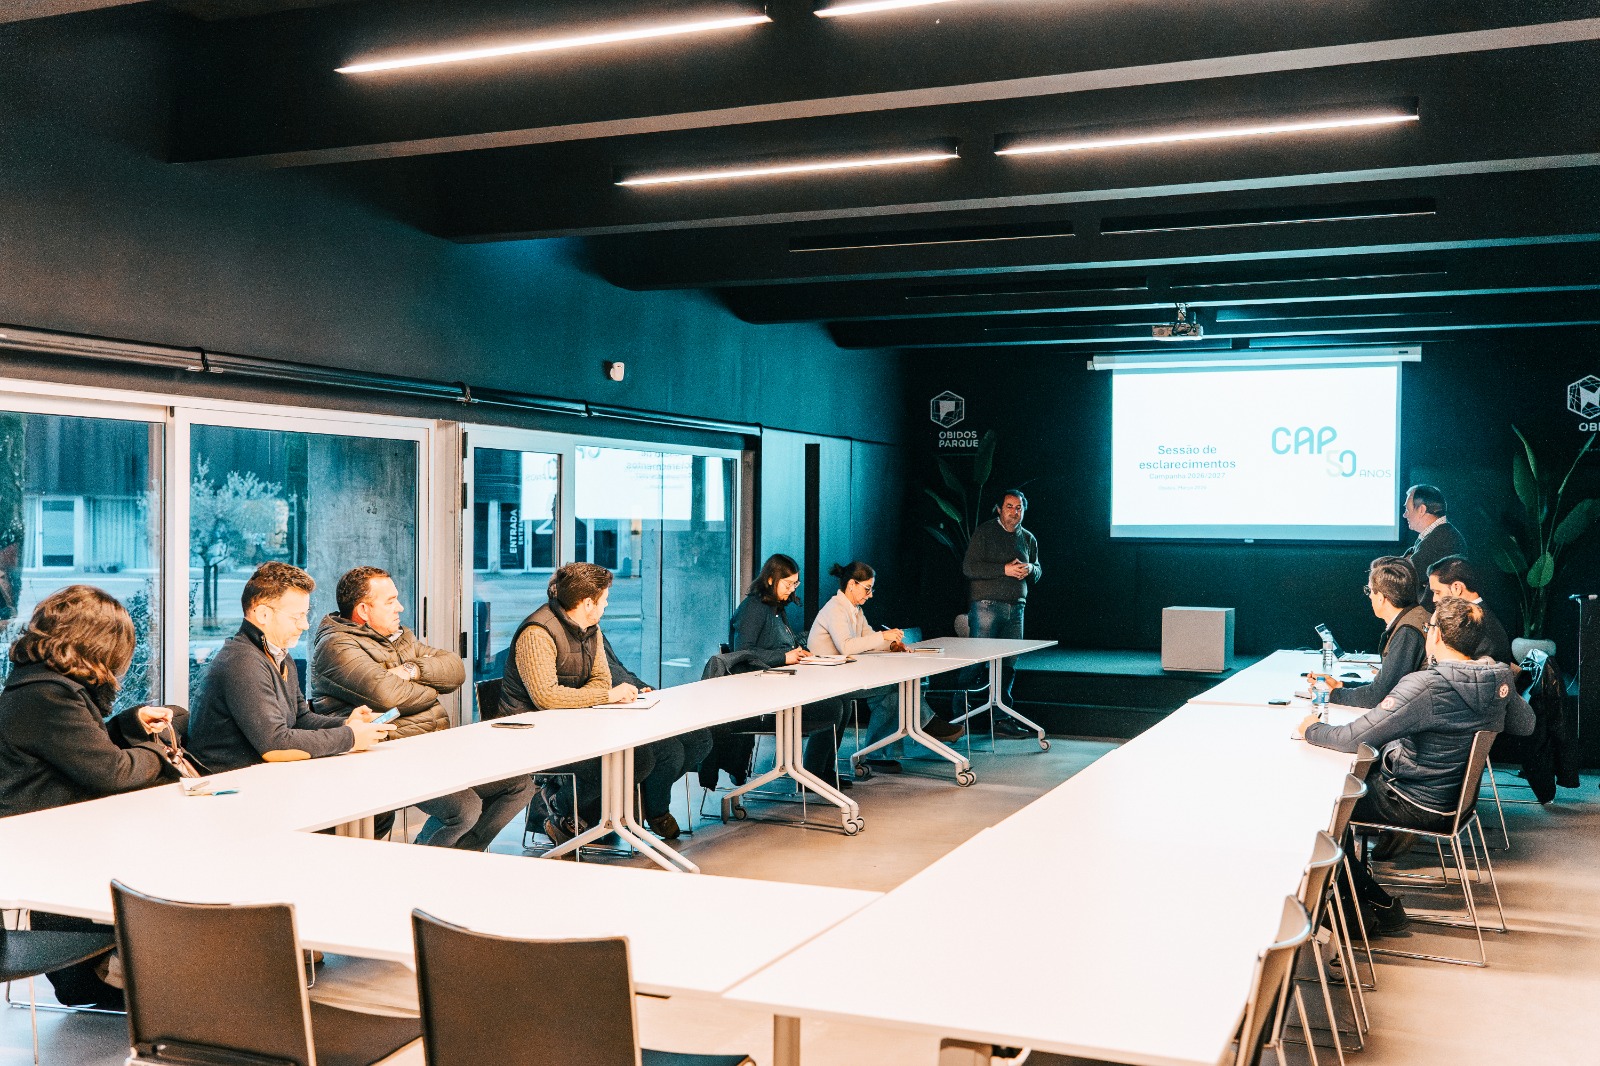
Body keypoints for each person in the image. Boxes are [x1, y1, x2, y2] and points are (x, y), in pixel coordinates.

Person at [1297, 597, 1535, 932]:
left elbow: (1353, 738)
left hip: (1411, 799)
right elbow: (1526, 725)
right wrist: (1502, 687)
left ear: (1435, 635)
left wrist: (1312, 728)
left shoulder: (1427, 685)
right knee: (1342, 793)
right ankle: (1366, 899)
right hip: (1454, 801)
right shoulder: (1498, 678)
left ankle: (1356, 909)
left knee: (1324, 802)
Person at [0, 585, 186, 1008]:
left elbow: (82, 748)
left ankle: (124, 965)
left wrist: (131, 724)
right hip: (45, 844)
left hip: (51, 833)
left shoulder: (41, 687)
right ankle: (104, 973)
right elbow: (111, 771)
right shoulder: (48, 696)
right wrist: (161, 754)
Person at [311, 566, 532, 851]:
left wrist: (411, 670)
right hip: (384, 760)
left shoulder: (399, 637)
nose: (400, 607)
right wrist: (432, 689)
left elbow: (455, 669)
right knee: (463, 809)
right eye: (390, 601)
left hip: (431, 750)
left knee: (519, 784)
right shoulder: (337, 647)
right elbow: (388, 695)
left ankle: (459, 859)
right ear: (363, 610)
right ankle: (419, 867)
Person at [189, 562, 392, 773]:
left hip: (261, 776)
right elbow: (275, 745)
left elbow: (300, 719)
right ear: (263, 614)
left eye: (305, 615)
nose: (305, 625)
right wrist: (350, 737)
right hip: (227, 783)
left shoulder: (279, 656)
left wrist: (346, 724)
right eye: (297, 616)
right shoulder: (241, 662)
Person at [497, 562, 645, 845]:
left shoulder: (591, 629)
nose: (606, 606)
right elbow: (547, 697)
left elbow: (602, 680)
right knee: (609, 763)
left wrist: (581, 698)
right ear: (588, 603)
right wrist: (604, 697)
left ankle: (580, 818)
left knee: (642, 757)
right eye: (604, 600)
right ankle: (557, 807)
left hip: (571, 724)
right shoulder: (537, 633)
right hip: (531, 733)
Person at [809, 560, 962, 774]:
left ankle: (881, 752)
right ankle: (922, 725)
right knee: (894, 688)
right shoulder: (835, 609)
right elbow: (846, 646)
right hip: (828, 681)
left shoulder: (854, 609)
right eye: (867, 589)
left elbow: (868, 638)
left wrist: (891, 644)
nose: (870, 595)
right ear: (852, 584)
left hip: (844, 676)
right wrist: (883, 636)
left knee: (895, 689)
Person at [729, 553, 850, 788]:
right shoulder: (753, 609)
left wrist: (799, 651)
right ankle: (813, 773)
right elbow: (742, 652)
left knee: (842, 702)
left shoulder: (775, 607)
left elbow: (781, 643)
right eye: (788, 584)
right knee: (834, 707)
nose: (792, 589)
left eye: (795, 583)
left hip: (781, 687)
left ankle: (822, 771)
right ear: (771, 580)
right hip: (761, 696)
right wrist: (784, 657)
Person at [600, 632, 711, 840]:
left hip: (632, 702)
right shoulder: (561, 635)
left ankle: (648, 797)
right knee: (670, 750)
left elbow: (620, 671)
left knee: (700, 738)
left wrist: (643, 688)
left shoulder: (594, 632)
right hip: (610, 715)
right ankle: (658, 812)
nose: (601, 613)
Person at [961, 489, 1041, 735]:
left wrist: (1030, 569)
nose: (1014, 512)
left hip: (1016, 608)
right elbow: (969, 567)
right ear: (999, 509)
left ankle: (1001, 719)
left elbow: (1038, 570)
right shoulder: (985, 532)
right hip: (986, 606)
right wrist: (1004, 570)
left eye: (1019, 508)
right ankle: (958, 716)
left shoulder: (1028, 538)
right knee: (977, 662)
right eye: (1009, 507)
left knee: (1008, 664)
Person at [1314, 557, 1430, 710]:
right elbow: (1386, 685)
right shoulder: (1415, 617)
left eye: (1369, 590)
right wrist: (1342, 685)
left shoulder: (1407, 632)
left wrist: (1333, 694)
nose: (1369, 596)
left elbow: (1380, 696)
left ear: (1381, 598)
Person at [1427, 555, 1514, 664]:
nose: (1434, 599)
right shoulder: (1481, 617)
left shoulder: (1480, 625)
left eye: (1437, 592)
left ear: (1457, 587)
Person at [1402, 484, 1467, 609]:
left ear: (1421, 510)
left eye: (1407, 509)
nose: (1405, 515)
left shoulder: (1441, 538)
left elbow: (1407, 575)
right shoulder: (1438, 534)